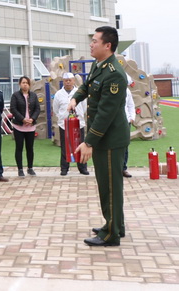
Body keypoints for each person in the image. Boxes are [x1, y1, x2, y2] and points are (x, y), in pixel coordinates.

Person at [70, 26, 129, 247]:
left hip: (110, 139)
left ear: (108, 45)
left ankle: (110, 234)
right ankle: (117, 225)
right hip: (104, 138)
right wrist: (75, 98)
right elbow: (87, 86)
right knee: (108, 185)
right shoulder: (99, 65)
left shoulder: (114, 74)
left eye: (95, 41)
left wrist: (88, 142)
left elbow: (105, 114)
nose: (91, 44)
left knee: (110, 187)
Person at [52, 72, 89, 176]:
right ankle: (64, 168)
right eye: (66, 80)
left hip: (78, 124)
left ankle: (82, 167)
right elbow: (56, 109)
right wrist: (62, 116)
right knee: (65, 146)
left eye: (70, 80)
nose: (68, 82)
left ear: (73, 81)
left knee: (80, 144)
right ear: (63, 81)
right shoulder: (59, 94)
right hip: (64, 125)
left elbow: (84, 107)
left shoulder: (79, 92)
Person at [9, 76, 41, 177]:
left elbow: (37, 109)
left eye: (27, 83)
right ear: (19, 84)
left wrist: (32, 119)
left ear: (29, 85)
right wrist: (22, 119)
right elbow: (13, 109)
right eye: (23, 83)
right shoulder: (15, 95)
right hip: (19, 126)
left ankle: (30, 168)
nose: (25, 84)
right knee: (19, 147)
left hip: (30, 126)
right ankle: (20, 169)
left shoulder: (33, 95)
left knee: (30, 148)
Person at [122, 86, 135, 178]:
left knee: (125, 145)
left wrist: (131, 118)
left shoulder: (126, 90)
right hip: (112, 122)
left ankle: (123, 168)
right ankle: (112, 169)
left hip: (126, 121)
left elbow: (131, 105)